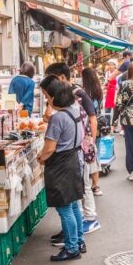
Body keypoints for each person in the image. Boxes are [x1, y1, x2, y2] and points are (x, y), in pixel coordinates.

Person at [44, 62, 101, 236]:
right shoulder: (67, 97)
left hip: (80, 147)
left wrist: (91, 142)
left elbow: (93, 118)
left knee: (82, 185)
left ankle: (90, 220)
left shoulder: (77, 94)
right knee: (76, 192)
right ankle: (76, 233)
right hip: (77, 146)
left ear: (61, 77)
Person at [37, 77, 85, 261]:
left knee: (65, 209)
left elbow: (49, 148)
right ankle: (79, 241)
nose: (48, 100)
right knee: (73, 205)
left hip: (60, 166)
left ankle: (72, 248)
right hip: (73, 160)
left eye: (48, 97)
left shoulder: (58, 118)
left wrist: (41, 158)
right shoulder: (74, 111)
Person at [82, 66, 105, 196]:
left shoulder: (85, 94)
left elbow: (91, 115)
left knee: (89, 155)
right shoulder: (98, 91)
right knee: (95, 154)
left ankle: (93, 185)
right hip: (97, 127)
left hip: (89, 128)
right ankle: (95, 185)